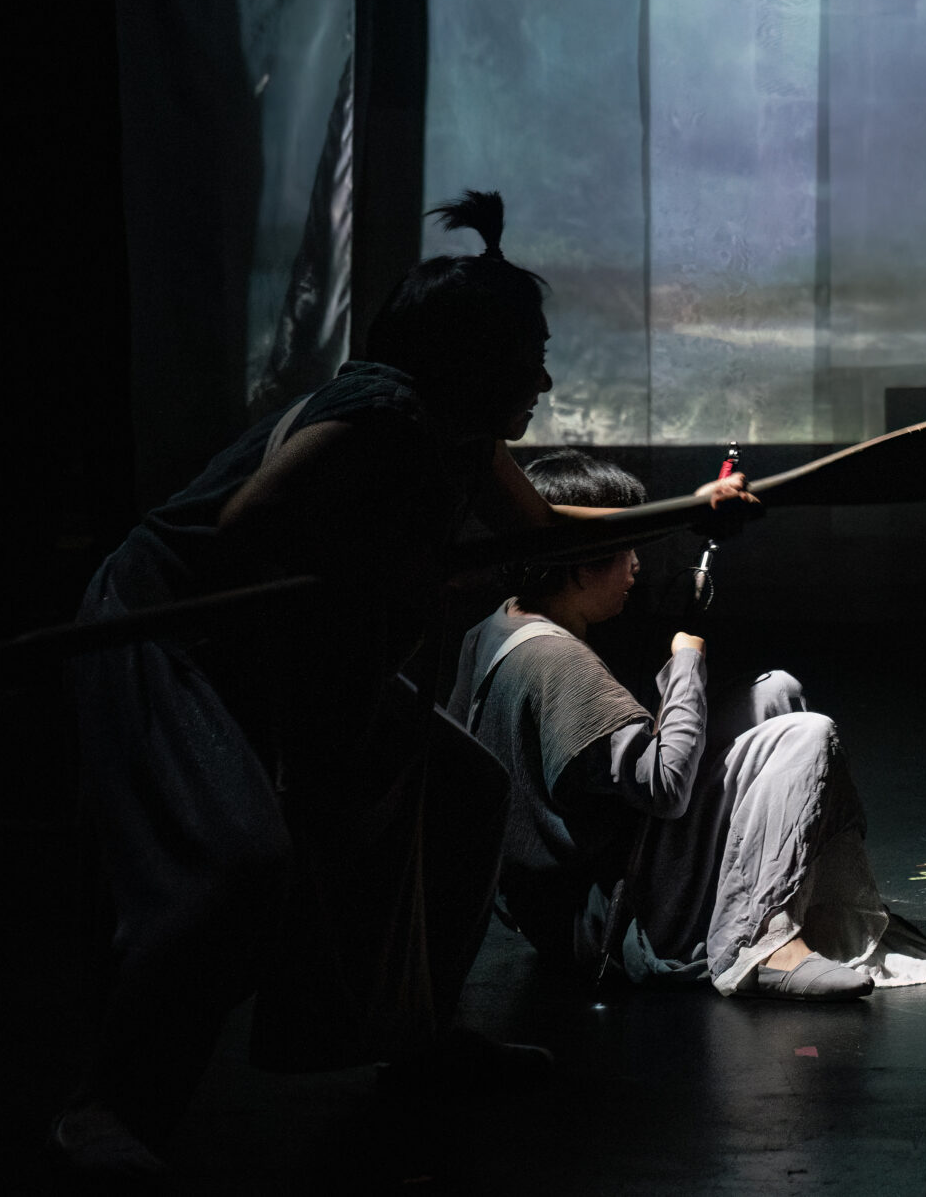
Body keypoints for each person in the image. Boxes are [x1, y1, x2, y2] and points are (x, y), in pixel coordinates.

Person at [55, 193, 754, 1177]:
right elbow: (245, 531)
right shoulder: (383, 414)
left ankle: (415, 1041)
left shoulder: (461, 438)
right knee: (235, 866)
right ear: (471, 356)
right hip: (172, 628)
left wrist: (696, 508)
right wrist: (390, 577)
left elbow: (542, 530)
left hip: (275, 639)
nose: (544, 378)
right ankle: (107, 1109)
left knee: (464, 795)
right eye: (529, 357)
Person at [450, 450, 926, 1000]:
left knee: (776, 692)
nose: (636, 566)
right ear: (582, 563)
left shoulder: (497, 626)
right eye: (625, 550)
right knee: (808, 735)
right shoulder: (559, 662)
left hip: (560, 909)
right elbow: (666, 789)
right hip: (608, 921)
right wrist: (686, 663)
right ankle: (762, 943)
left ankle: (787, 904)